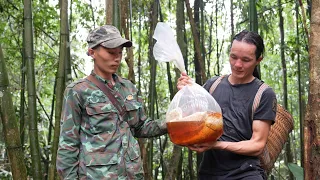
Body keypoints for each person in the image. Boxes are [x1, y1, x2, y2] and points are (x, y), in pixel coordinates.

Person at [56, 25, 167, 179]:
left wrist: (171, 122)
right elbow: (68, 145)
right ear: (92, 52)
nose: (117, 58)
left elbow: (141, 127)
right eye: (110, 52)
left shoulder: (128, 88)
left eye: (120, 53)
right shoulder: (77, 91)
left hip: (132, 174)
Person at [177, 30, 277, 180]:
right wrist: (186, 92)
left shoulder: (264, 94)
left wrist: (217, 145)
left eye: (246, 60)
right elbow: (193, 119)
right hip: (209, 172)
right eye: (233, 57)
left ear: (258, 60)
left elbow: (257, 145)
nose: (237, 64)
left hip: (245, 173)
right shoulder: (213, 85)